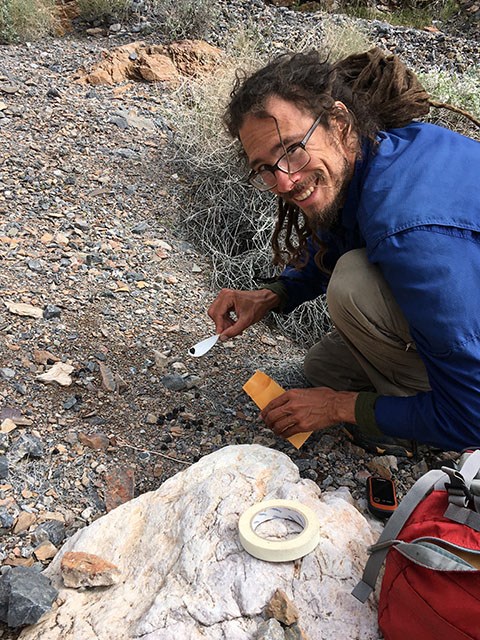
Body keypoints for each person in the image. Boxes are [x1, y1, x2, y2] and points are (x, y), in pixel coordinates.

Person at [207, 47, 480, 456]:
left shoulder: (411, 232)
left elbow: (473, 417)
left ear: (339, 122)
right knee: (323, 370)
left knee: (351, 284)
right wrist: (274, 294)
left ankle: (418, 420)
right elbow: (339, 238)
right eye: (264, 167)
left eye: (292, 149)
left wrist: (337, 408)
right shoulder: (381, 154)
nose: (283, 182)